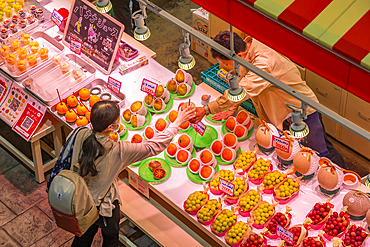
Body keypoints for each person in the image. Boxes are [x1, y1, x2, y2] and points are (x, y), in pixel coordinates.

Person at [192, 31, 346, 169]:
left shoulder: (263, 63)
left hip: (301, 114)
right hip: (281, 113)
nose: (224, 67)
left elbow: (244, 88)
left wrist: (207, 109)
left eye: (226, 63)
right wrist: (233, 106)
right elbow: (243, 80)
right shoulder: (248, 48)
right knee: (309, 151)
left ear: (238, 56)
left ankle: (344, 183)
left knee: (319, 154)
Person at [68, 101, 195, 246]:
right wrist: (177, 122)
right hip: (103, 205)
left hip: (79, 199)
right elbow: (153, 146)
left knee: (83, 236)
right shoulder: (118, 151)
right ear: (111, 127)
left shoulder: (77, 133)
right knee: (110, 240)